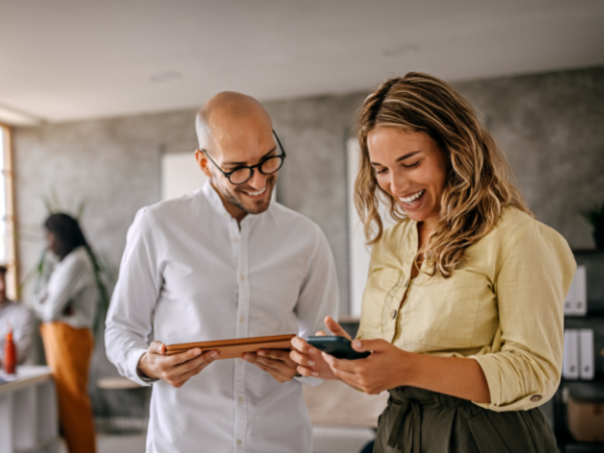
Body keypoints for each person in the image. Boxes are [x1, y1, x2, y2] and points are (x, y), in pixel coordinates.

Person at [291, 73, 576, 453]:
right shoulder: (390, 243)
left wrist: (409, 367)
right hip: (398, 432)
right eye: (381, 169)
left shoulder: (515, 236)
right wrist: (341, 365)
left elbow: (534, 371)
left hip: (488, 436)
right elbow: (389, 362)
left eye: (410, 163)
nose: (395, 185)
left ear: (453, 149)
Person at [105, 92, 339, 453]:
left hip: (280, 441)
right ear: (204, 163)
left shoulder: (306, 237)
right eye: (238, 168)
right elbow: (121, 329)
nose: (259, 182)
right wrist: (146, 364)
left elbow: (324, 344)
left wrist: (305, 366)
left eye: (268, 160)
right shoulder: (158, 226)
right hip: (185, 441)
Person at [32, 213, 98, 453]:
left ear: (61, 234)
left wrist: (49, 305)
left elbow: (48, 309)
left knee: (74, 404)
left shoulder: (77, 261)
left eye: (49, 236)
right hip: (61, 337)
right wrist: (50, 304)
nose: (47, 242)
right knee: (67, 405)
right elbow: (40, 300)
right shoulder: (64, 263)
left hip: (70, 338)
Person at [0, 265, 33, 366]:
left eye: (3, 280)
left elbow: (17, 355)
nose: (1, 287)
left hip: (14, 377)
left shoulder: (21, 312)